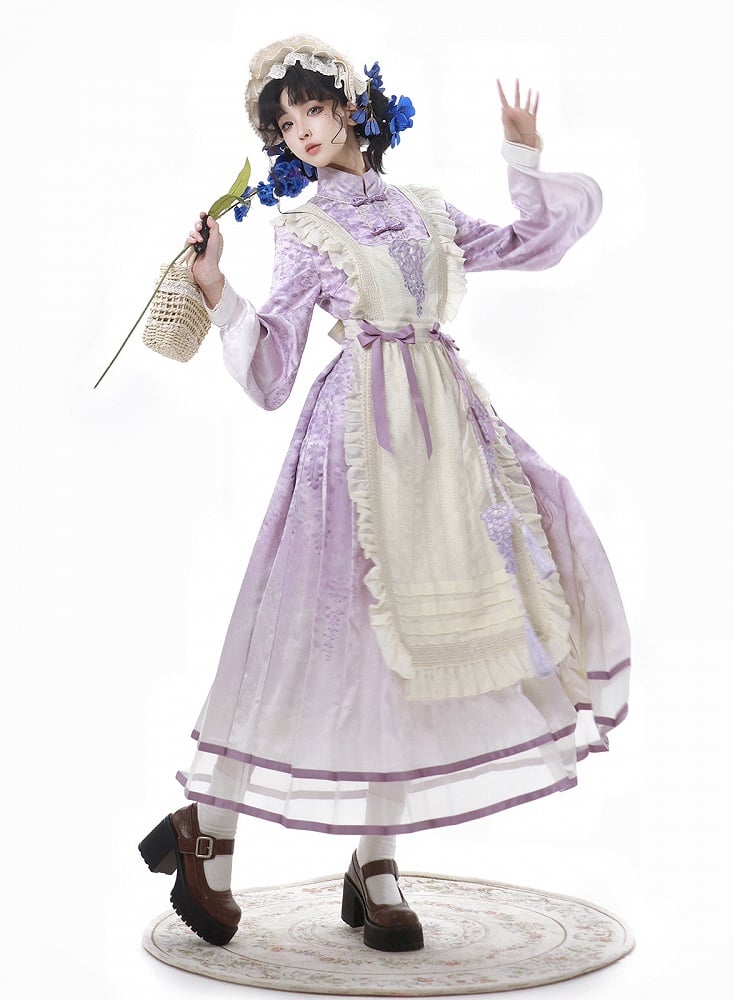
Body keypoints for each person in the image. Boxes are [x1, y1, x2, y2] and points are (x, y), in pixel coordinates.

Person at [138, 34, 630, 954]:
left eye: (312, 108)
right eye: (285, 122)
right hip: (354, 450)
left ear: (352, 108)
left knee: (418, 647)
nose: (300, 130)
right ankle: (209, 826)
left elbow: (532, 243)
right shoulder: (303, 232)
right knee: (318, 634)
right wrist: (218, 290)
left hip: (445, 438)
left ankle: (376, 863)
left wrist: (523, 157)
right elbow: (274, 369)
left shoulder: (425, 210)